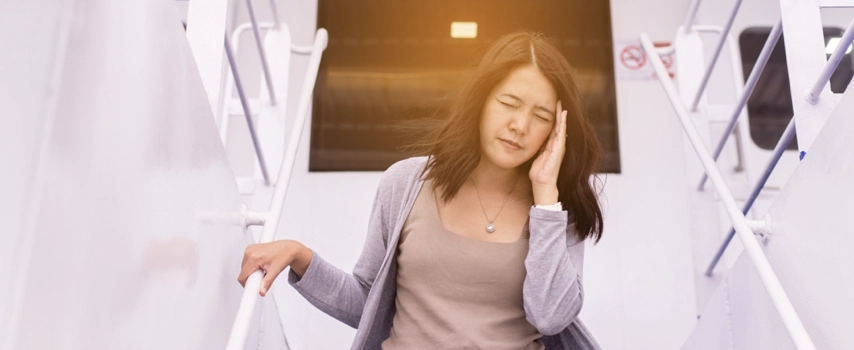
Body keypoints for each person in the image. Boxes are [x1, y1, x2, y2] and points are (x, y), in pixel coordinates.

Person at [238, 31, 604, 350]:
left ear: (557, 130)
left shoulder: (557, 208)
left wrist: (545, 197)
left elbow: (551, 316)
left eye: (541, 116)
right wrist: (300, 256)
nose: (520, 125)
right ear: (481, 102)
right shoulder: (406, 183)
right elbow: (369, 303)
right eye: (509, 103)